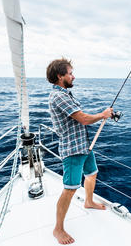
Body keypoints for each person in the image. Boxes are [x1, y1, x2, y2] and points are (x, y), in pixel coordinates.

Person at [47, 58, 112, 245]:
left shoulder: (66, 94)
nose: (73, 76)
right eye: (70, 73)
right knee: (70, 189)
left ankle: (89, 201)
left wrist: (101, 115)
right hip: (73, 150)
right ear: (60, 76)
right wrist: (103, 114)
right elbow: (82, 119)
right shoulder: (59, 96)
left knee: (92, 174)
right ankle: (58, 229)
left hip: (84, 145)